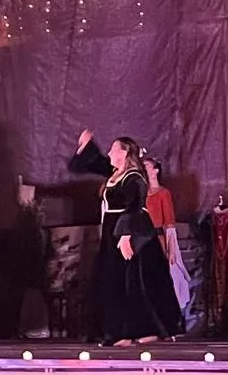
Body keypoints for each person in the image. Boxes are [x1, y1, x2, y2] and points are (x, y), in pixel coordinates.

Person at [67, 131, 184, 346]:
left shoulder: (135, 177)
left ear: (124, 153)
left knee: (135, 281)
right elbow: (80, 166)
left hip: (132, 232)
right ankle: (119, 332)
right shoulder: (114, 171)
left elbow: (135, 206)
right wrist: (85, 146)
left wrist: (125, 235)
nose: (109, 152)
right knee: (113, 280)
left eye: (113, 149)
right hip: (112, 232)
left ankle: (146, 329)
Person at [143, 157, 191, 330]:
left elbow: (169, 224)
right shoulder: (140, 193)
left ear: (155, 170)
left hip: (159, 239)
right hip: (143, 239)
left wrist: (171, 250)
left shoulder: (163, 193)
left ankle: (174, 318)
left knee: (168, 277)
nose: (144, 169)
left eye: (147, 166)